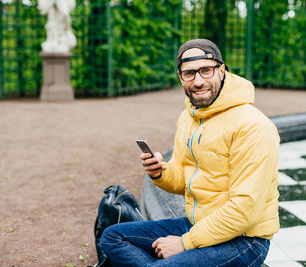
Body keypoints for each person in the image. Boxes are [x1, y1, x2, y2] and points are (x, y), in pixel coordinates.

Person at [100, 39, 280, 266]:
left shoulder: (252, 126)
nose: (198, 81)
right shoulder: (188, 118)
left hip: (245, 240)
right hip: (199, 224)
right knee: (113, 237)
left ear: (222, 71)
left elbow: (244, 210)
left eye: (206, 71)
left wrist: (185, 243)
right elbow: (182, 180)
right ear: (180, 77)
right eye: (189, 74)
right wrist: (160, 173)